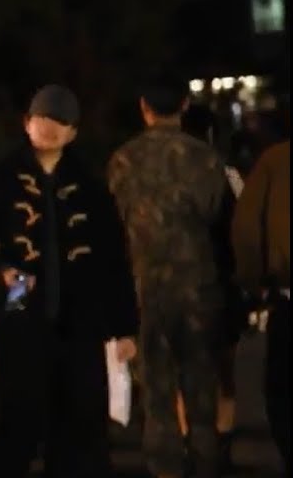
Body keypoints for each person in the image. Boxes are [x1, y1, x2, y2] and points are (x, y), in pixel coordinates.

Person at [0, 85, 139, 478]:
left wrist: (123, 327)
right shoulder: (0, 180)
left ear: (73, 132)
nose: (51, 128)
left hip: (81, 321)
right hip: (21, 312)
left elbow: (113, 259)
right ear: (27, 123)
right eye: (43, 119)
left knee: (81, 421)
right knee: (18, 414)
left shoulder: (90, 186)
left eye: (62, 122)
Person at [107, 80, 235, 478]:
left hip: (143, 290)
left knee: (157, 394)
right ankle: (206, 464)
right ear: (184, 105)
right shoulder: (205, 159)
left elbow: (110, 228)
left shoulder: (122, 160)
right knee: (201, 390)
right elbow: (221, 220)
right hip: (198, 289)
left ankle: (164, 469)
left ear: (143, 107)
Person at [179, 104, 244, 471]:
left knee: (182, 372)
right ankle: (222, 446)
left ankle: (189, 444)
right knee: (223, 373)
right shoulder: (225, 173)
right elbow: (241, 228)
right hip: (219, 286)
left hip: (175, 285)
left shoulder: (164, 174)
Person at [231, 139, 290, 474]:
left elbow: (247, 230)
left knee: (282, 391)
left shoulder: (275, 161)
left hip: (287, 293)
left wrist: (254, 284)